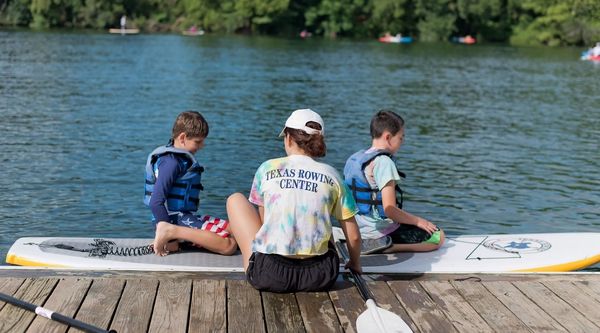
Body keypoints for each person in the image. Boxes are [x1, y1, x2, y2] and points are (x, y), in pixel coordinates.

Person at [226, 108, 362, 293]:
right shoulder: (333, 175)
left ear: (289, 138)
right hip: (320, 277)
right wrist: (355, 263)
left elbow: (267, 223)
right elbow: (353, 236)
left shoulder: (267, 168)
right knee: (324, 224)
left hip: (270, 275)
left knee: (235, 200)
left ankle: (251, 263)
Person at [344, 110, 445, 253]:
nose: (401, 143)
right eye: (401, 138)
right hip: (378, 232)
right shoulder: (384, 163)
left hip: (357, 228)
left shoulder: (355, 159)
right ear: (388, 137)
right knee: (437, 236)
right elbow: (389, 209)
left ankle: (370, 242)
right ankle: (389, 247)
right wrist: (418, 221)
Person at [144, 111, 237, 256]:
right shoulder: (171, 163)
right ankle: (171, 234)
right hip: (172, 221)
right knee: (229, 245)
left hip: (184, 218)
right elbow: (155, 202)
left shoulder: (180, 160)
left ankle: (177, 234)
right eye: (198, 142)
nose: (202, 146)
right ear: (182, 137)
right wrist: (169, 237)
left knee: (236, 231)